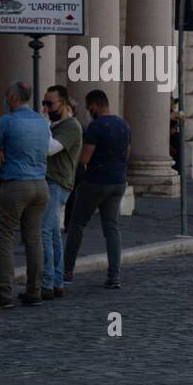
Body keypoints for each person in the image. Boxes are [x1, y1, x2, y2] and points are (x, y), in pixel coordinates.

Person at [0, 81, 50, 308]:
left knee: (4, 237)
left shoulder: (7, 121)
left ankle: (4, 292)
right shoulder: (42, 121)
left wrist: (2, 151)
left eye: (5, 95)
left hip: (15, 184)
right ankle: (35, 291)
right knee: (33, 238)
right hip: (40, 185)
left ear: (12, 97)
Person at [63, 89, 130, 291]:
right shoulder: (124, 125)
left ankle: (66, 272)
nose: (88, 111)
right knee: (111, 228)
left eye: (88, 107)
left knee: (76, 225)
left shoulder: (96, 127)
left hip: (96, 182)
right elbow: (127, 154)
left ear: (94, 105)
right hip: (118, 181)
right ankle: (114, 276)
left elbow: (85, 159)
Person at [41, 85, 82, 300]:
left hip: (58, 183)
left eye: (50, 103)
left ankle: (47, 283)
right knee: (54, 234)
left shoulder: (71, 126)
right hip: (52, 182)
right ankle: (57, 282)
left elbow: (49, 149)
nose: (46, 108)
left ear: (63, 103)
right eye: (44, 103)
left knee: (44, 232)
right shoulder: (57, 125)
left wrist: (44, 124)